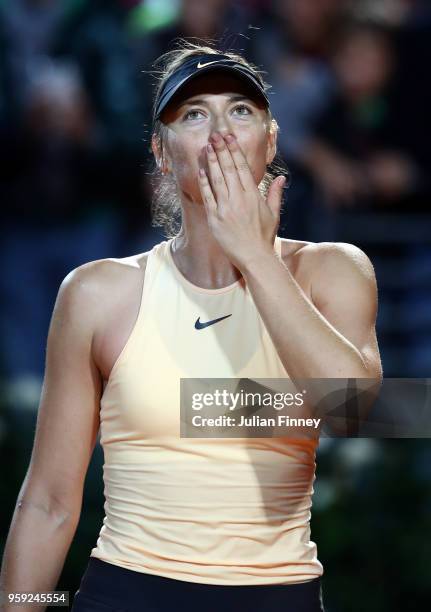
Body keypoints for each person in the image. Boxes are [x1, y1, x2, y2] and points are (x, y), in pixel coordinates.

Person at [0, 40, 382, 612]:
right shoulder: (97, 293)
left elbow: (352, 409)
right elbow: (50, 501)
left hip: (277, 595)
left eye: (241, 111)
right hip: (127, 591)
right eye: (195, 114)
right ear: (161, 150)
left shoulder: (333, 269)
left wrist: (254, 257)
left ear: (270, 141)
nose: (221, 131)